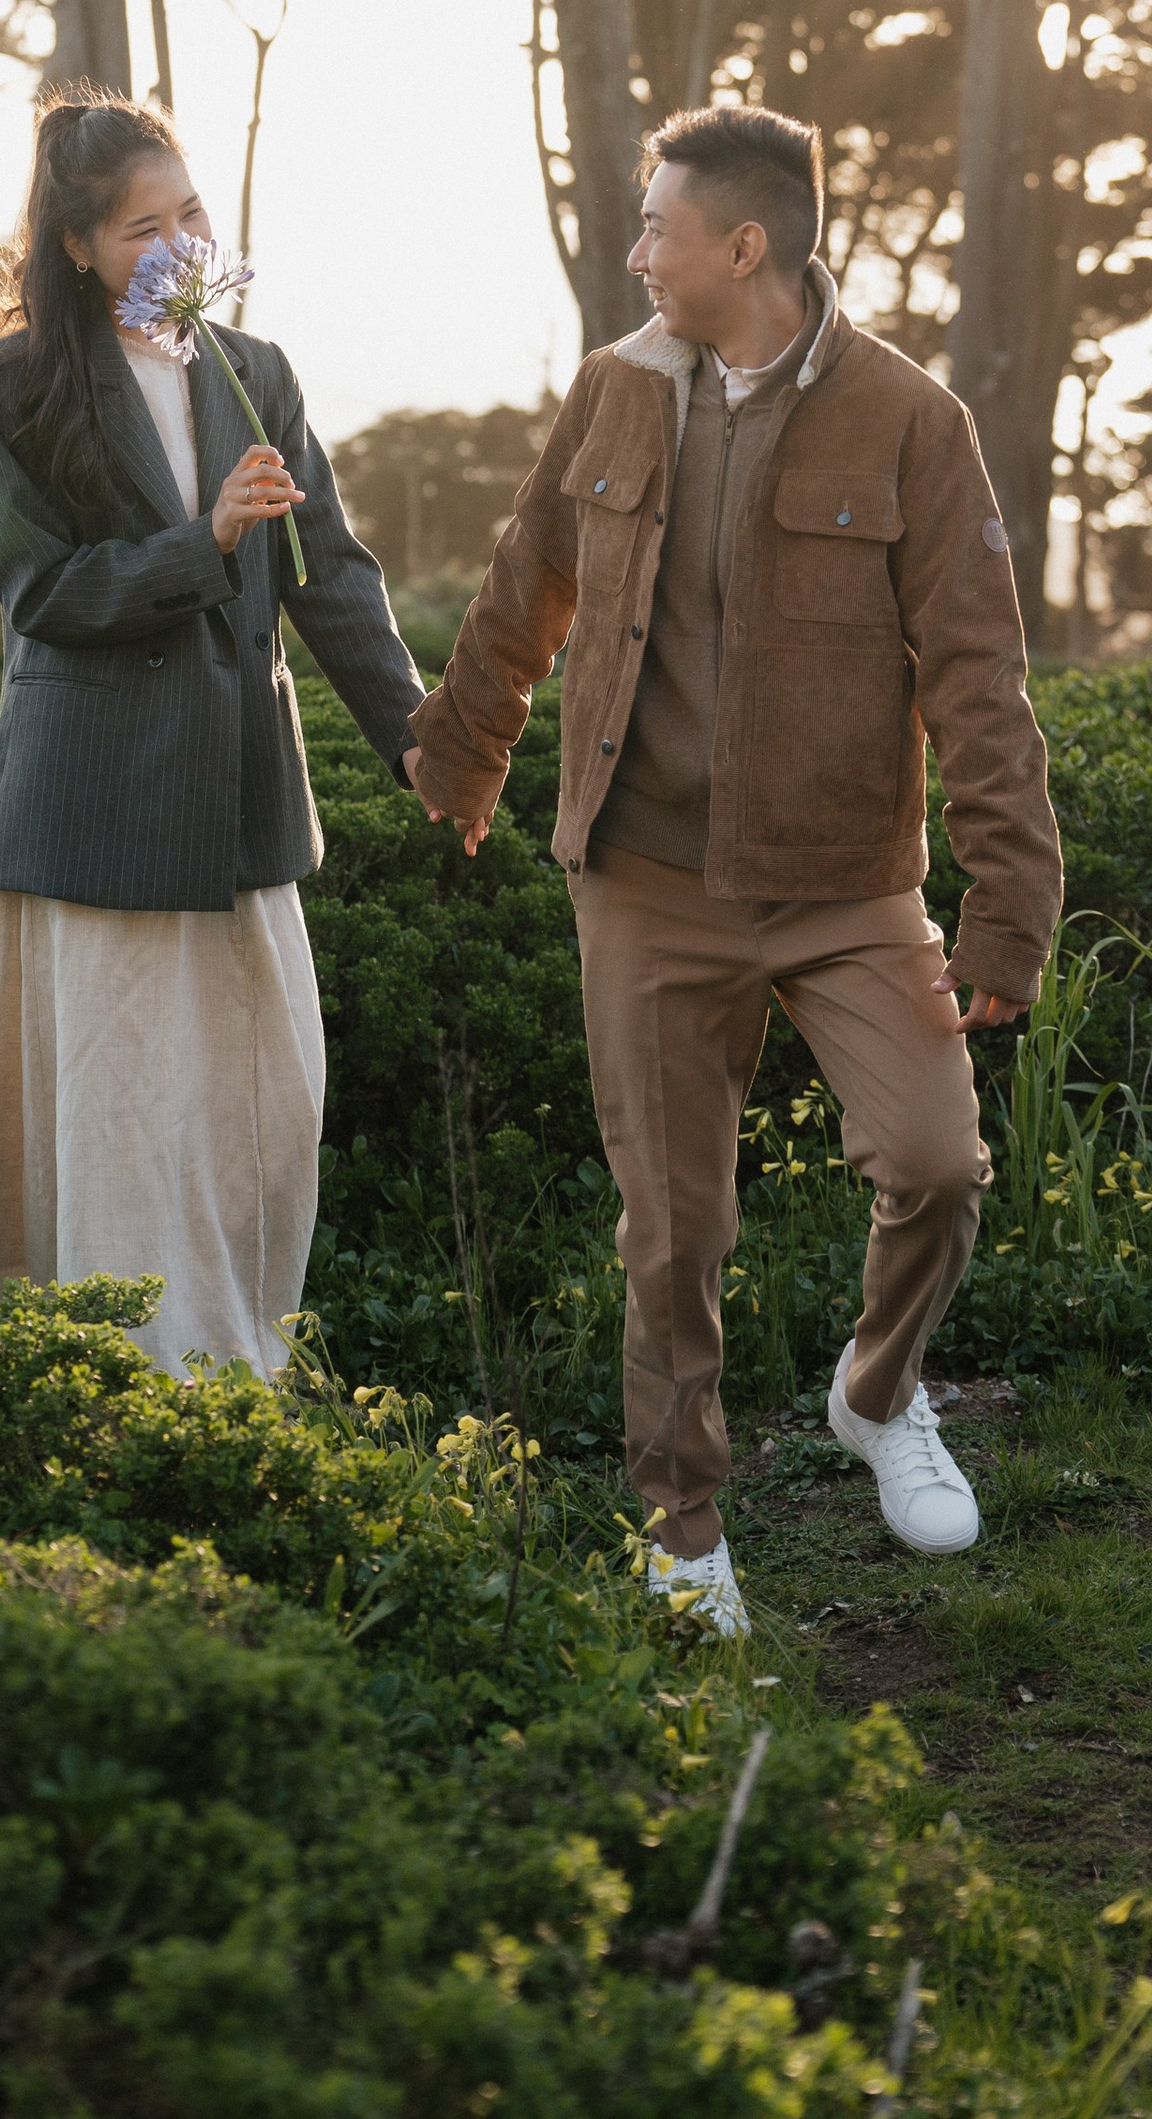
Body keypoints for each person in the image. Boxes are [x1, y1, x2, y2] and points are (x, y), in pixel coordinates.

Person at [405, 103, 1062, 1635]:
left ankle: (879, 1393)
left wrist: (1005, 903)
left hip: (843, 881)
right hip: (642, 873)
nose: (636, 253)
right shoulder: (616, 393)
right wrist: (464, 747)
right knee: (675, 1227)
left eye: (656, 228)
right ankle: (683, 1527)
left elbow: (980, 676)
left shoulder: (913, 420)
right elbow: (528, 578)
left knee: (938, 1165)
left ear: (745, 245)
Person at [0, 86, 425, 1380]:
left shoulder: (254, 372)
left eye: (192, 211)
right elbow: (42, 594)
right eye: (141, 226)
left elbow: (334, 572)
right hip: (94, 804)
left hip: (244, 799)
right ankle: (113, 1366)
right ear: (79, 246)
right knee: (120, 1111)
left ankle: (231, 1355)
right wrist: (199, 544)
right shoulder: (13, 383)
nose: (179, 244)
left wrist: (422, 740)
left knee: (269, 1095)